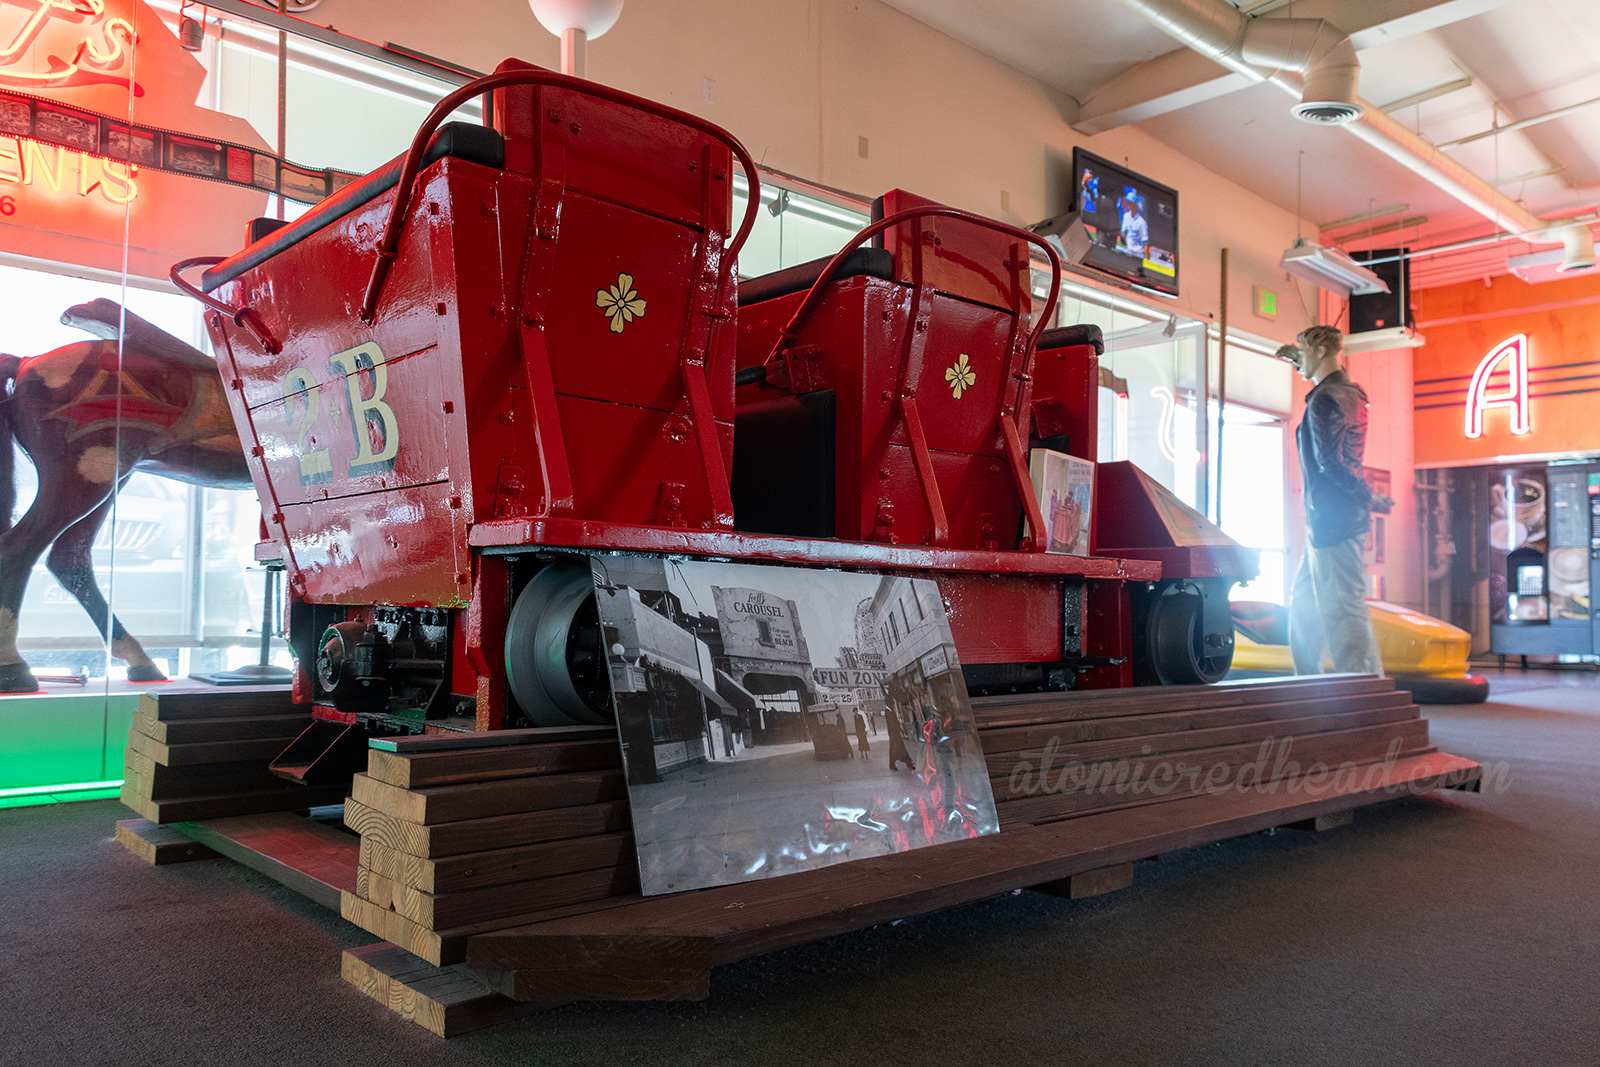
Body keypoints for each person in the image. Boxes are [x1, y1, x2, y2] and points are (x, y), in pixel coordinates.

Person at [1276, 325, 1393, 676]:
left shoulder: (1326, 400)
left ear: (1323, 352)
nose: (1301, 361)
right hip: (1329, 522)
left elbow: (1330, 463)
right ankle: (1311, 687)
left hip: (1333, 522)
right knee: (1306, 608)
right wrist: (1299, 355)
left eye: (1306, 352)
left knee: (1342, 609)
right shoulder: (1345, 392)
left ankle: (1364, 691)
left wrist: (1369, 496)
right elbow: (1341, 463)